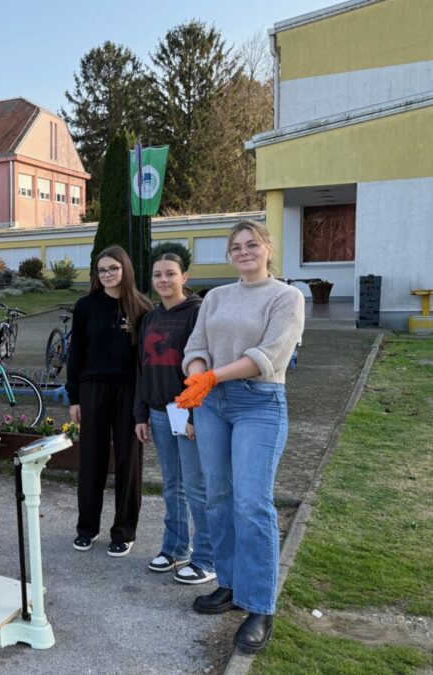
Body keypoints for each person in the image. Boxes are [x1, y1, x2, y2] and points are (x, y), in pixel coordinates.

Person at [176, 221, 304, 654]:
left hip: (259, 403)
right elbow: (195, 347)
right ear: (229, 255)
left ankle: (260, 604)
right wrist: (198, 379)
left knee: (252, 502)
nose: (244, 251)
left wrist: (211, 376)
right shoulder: (215, 297)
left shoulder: (287, 297)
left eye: (252, 245)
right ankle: (229, 584)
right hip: (212, 405)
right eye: (237, 247)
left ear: (267, 249)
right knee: (219, 498)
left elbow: (268, 357)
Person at [134, 253, 214, 584]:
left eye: (170, 274)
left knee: (196, 486)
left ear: (184, 277)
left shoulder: (197, 313)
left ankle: (207, 557)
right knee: (172, 485)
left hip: (186, 410)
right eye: (157, 275)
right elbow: (141, 368)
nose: (163, 280)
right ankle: (174, 547)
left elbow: (204, 364)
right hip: (158, 411)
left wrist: (195, 414)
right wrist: (141, 413)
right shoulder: (150, 319)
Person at [67, 245, 152, 557]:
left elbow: (147, 360)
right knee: (92, 460)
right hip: (93, 391)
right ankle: (86, 528)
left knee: (129, 463)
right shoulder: (85, 306)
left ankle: (124, 531)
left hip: (129, 392)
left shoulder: (142, 308)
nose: (107, 275)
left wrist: (146, 406)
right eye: (101, 270)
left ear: (124, 269)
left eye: (113, 268)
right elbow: (75, 355)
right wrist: (74, 397)